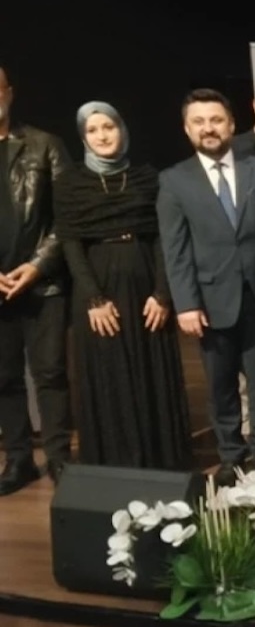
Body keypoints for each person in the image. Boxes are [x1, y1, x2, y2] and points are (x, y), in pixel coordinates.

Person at [55, 101, 192, 470]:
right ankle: (114, 462)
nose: (102, 136)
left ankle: (161, 459)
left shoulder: (148, 177)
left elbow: (164, 237)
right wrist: (93, 298)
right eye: (93, 130)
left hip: (147, 283)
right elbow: (70, 243)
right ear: (83, 137)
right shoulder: (70, 183)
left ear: (122, 129)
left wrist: (162, 293)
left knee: (151, 370)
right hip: (97, 290)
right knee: (108, 373)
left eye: (108, 127)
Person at [157, 88, 255, 482]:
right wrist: (185, 304)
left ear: (231, 124)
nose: (208, 128)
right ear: (186, 128)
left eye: (216, 120)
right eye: (199, 122)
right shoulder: (174, 180)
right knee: (221, 385)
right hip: (209, 302)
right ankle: (231, 456)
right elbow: (175, 249)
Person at [0, 66, 72, 493]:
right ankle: (19, 460)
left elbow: (67, 217)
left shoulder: (45, 145)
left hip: (42, 283)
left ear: (9, 92)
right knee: (4, 378)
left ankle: (59, 458)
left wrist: (38, 265)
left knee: (50, 374)